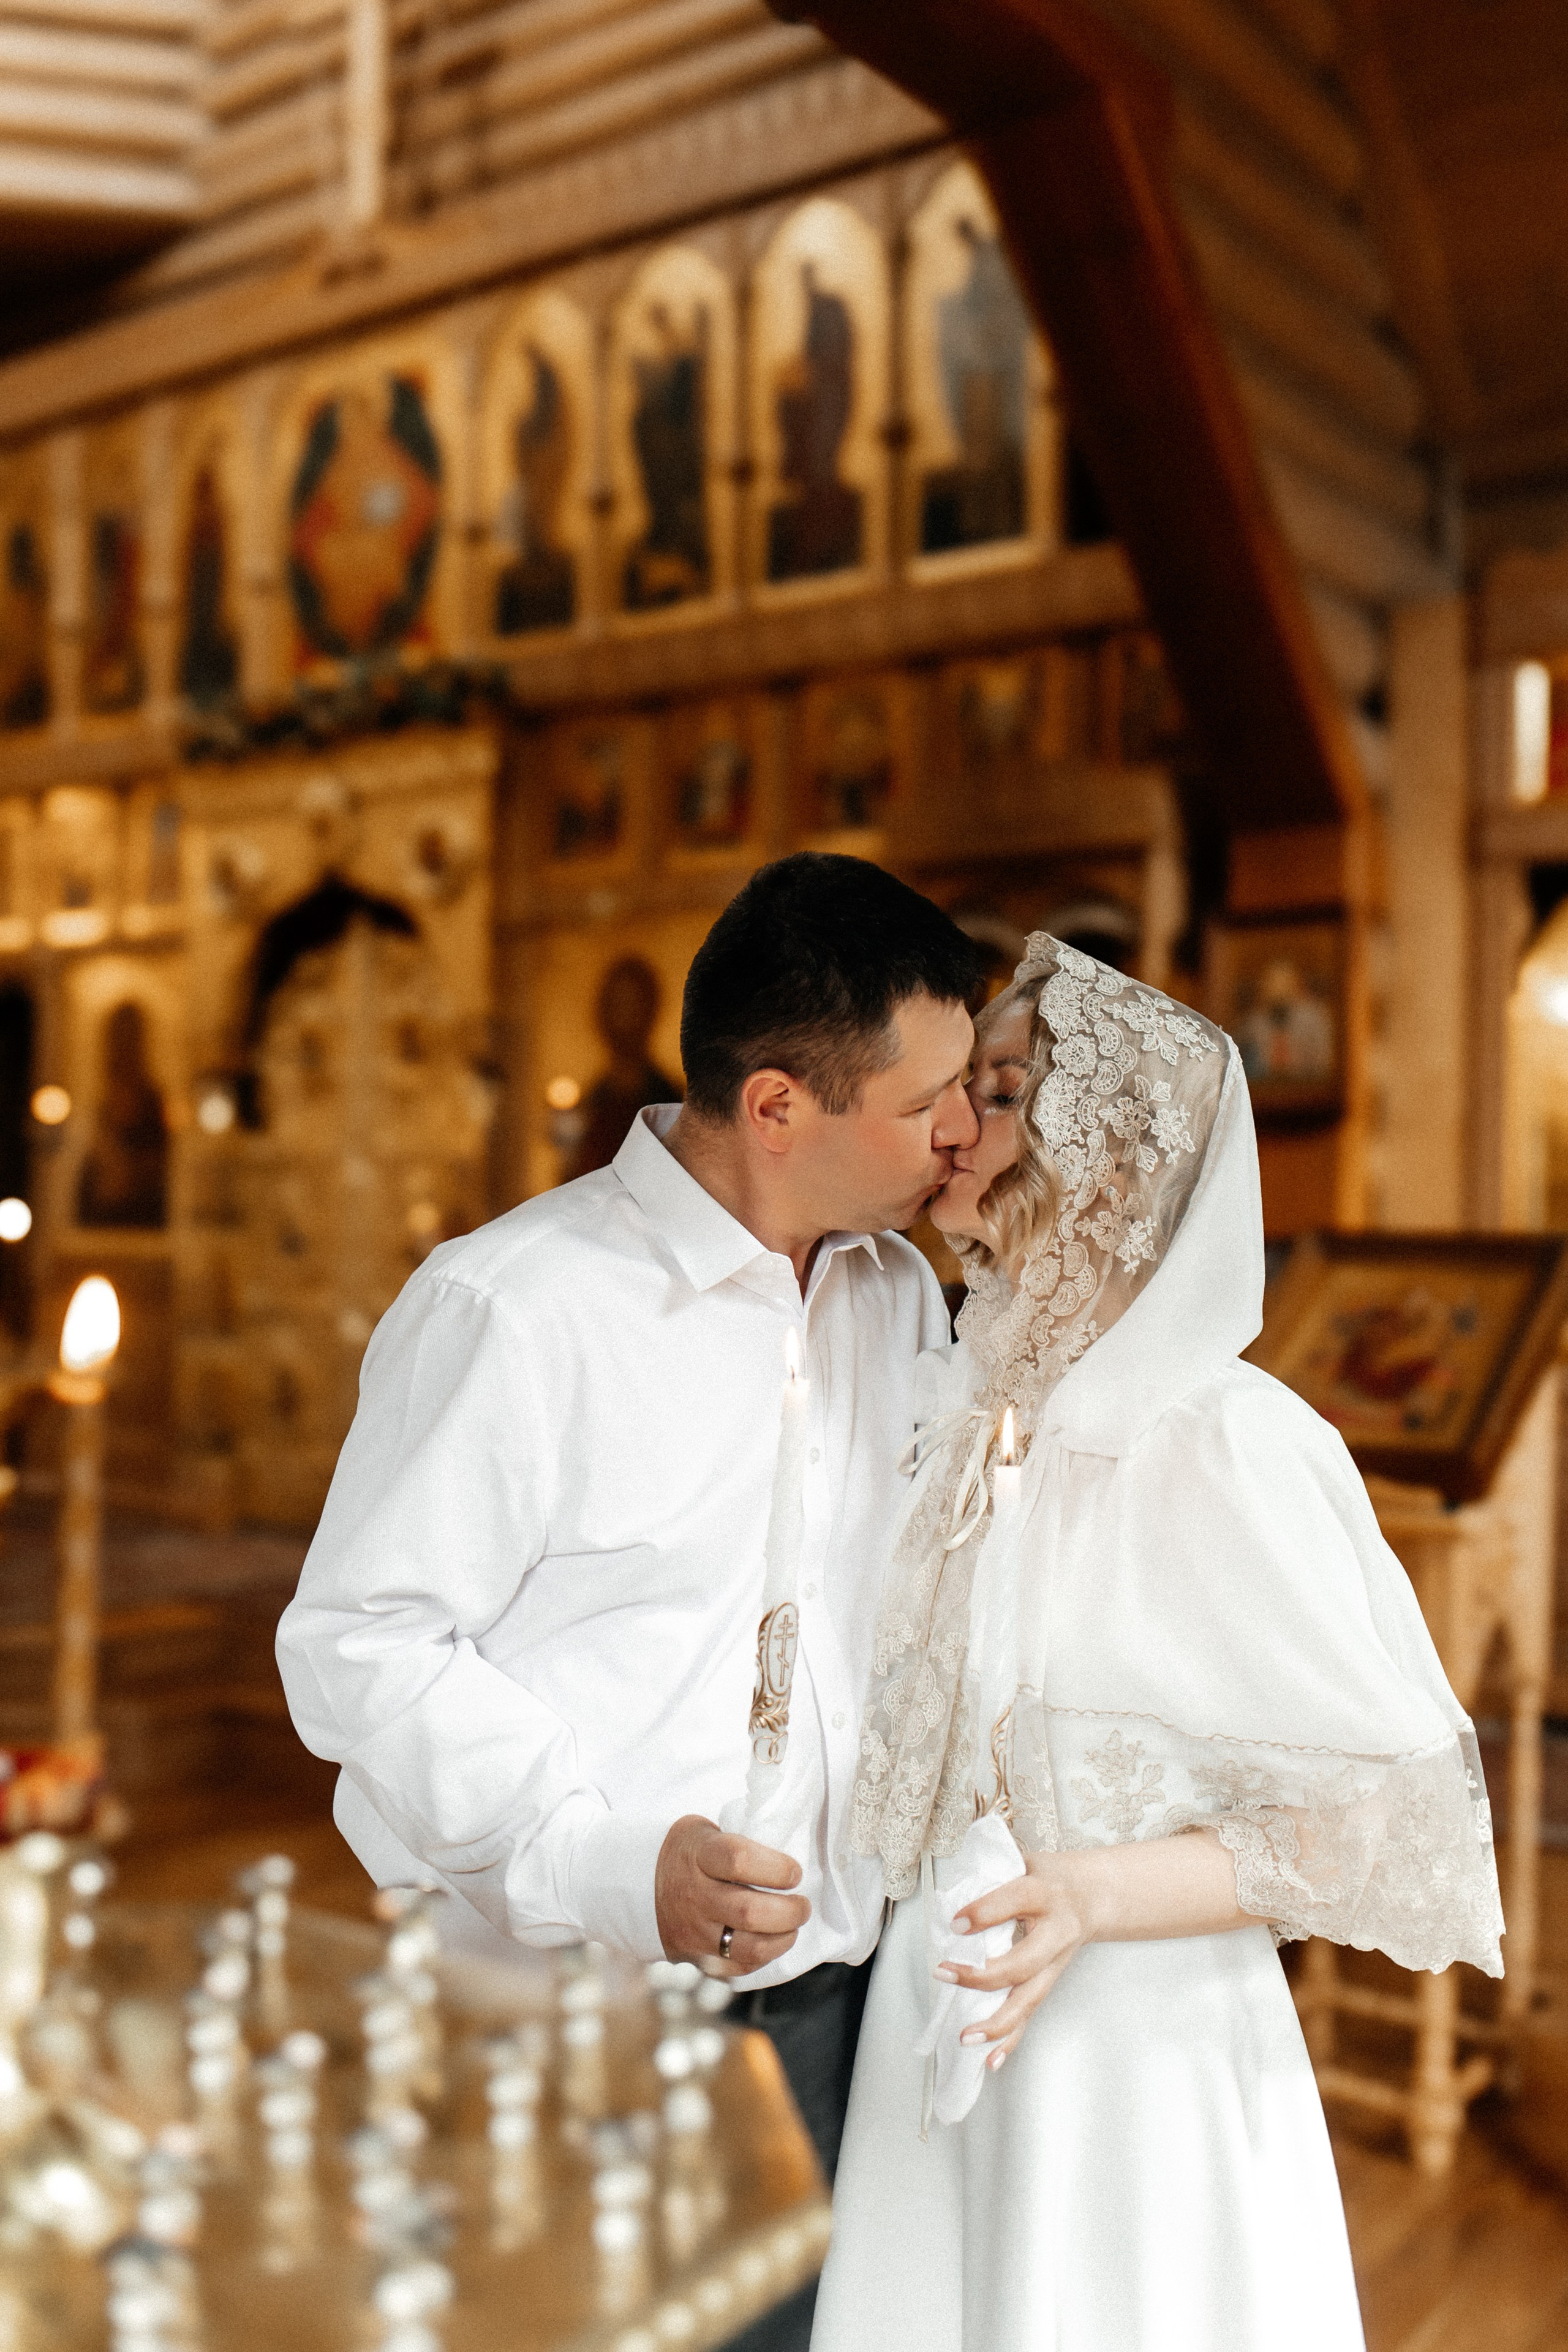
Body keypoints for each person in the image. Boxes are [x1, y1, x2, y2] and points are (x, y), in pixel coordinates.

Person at [276, 851, 983, 2352]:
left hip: (827, 2000)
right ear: (779, 1105)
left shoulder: (896, 1297)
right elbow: (359, 1646)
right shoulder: (512, 1308)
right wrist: (600, 1860)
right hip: (555, 2020)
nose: (966, 1132)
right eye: (928, 1102)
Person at [813, 933, 1502, 2352]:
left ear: (1104, 1164)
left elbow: (1386, 1824)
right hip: (934, 2026)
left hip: (1124, 2065)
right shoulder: (965, 1412)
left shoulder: (1225, 1446)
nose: (954, 1123)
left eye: (998, 1092)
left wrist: (1090, 1897)